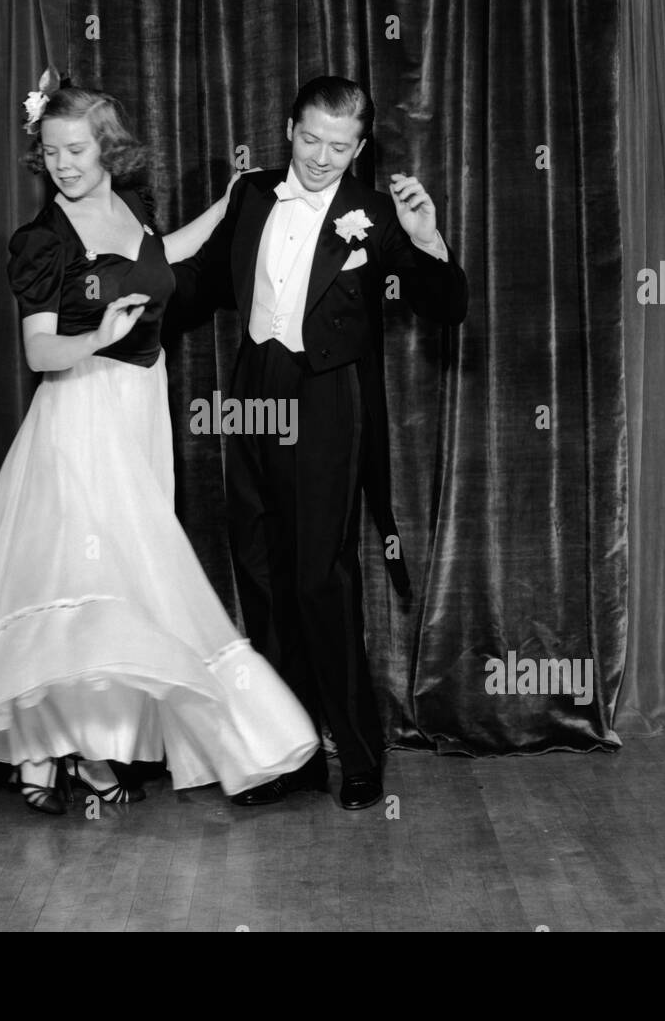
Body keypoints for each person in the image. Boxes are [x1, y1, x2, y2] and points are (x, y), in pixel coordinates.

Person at [0, 71, 319, 814]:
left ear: (107, 147)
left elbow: (157, 258)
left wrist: (228, 203)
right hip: (80, 419)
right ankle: (53, 751)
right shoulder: (42, 241)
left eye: (76, 149)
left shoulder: (128, 207)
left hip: (141, 411)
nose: (63, 164)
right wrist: (99, 334)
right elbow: (41, 352)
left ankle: (81, 751)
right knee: (75, 585)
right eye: (51, 153)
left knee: (114, 590)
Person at [172, 76, 467, 810]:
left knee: (319, 581)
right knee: (262, 577)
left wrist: (429, 239)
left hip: (329, 396)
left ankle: (358, 755)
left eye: (340, 146)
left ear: (361, 147)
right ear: (288, 128)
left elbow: (447, 306)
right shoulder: (251, 195)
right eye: (310, 139)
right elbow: (200, 283)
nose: (321, 158)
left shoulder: (373, 212)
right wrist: (119, 300)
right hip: (252, 395)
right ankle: (287, 755)